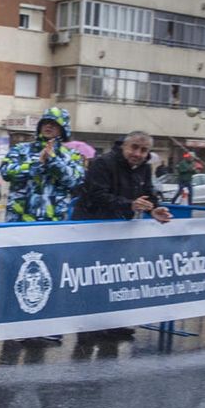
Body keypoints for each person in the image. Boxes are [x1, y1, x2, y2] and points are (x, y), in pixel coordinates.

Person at [77, 131, 172, 340]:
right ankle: (89, 326)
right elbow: (97, 195)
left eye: (144, 150)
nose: (138, 153)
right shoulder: (103, 163)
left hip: (121, 230)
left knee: (116, 277)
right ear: (124, 147)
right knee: (93, 279)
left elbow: (148, 194)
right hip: (93, 227)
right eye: (134, 148)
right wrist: (129, 204)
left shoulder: (145, 168)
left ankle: (113, 322)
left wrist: (154, 210)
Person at [1, 106, 82, 223]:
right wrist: (37, 164)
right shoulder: (21, 149)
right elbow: (6, 172)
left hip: (55, 222)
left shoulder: (72, 155)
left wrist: (54, 161)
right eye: (45, 123)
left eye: (54, 123)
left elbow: (76, 181)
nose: (48, 126)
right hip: (20, 220)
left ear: (63, 129)